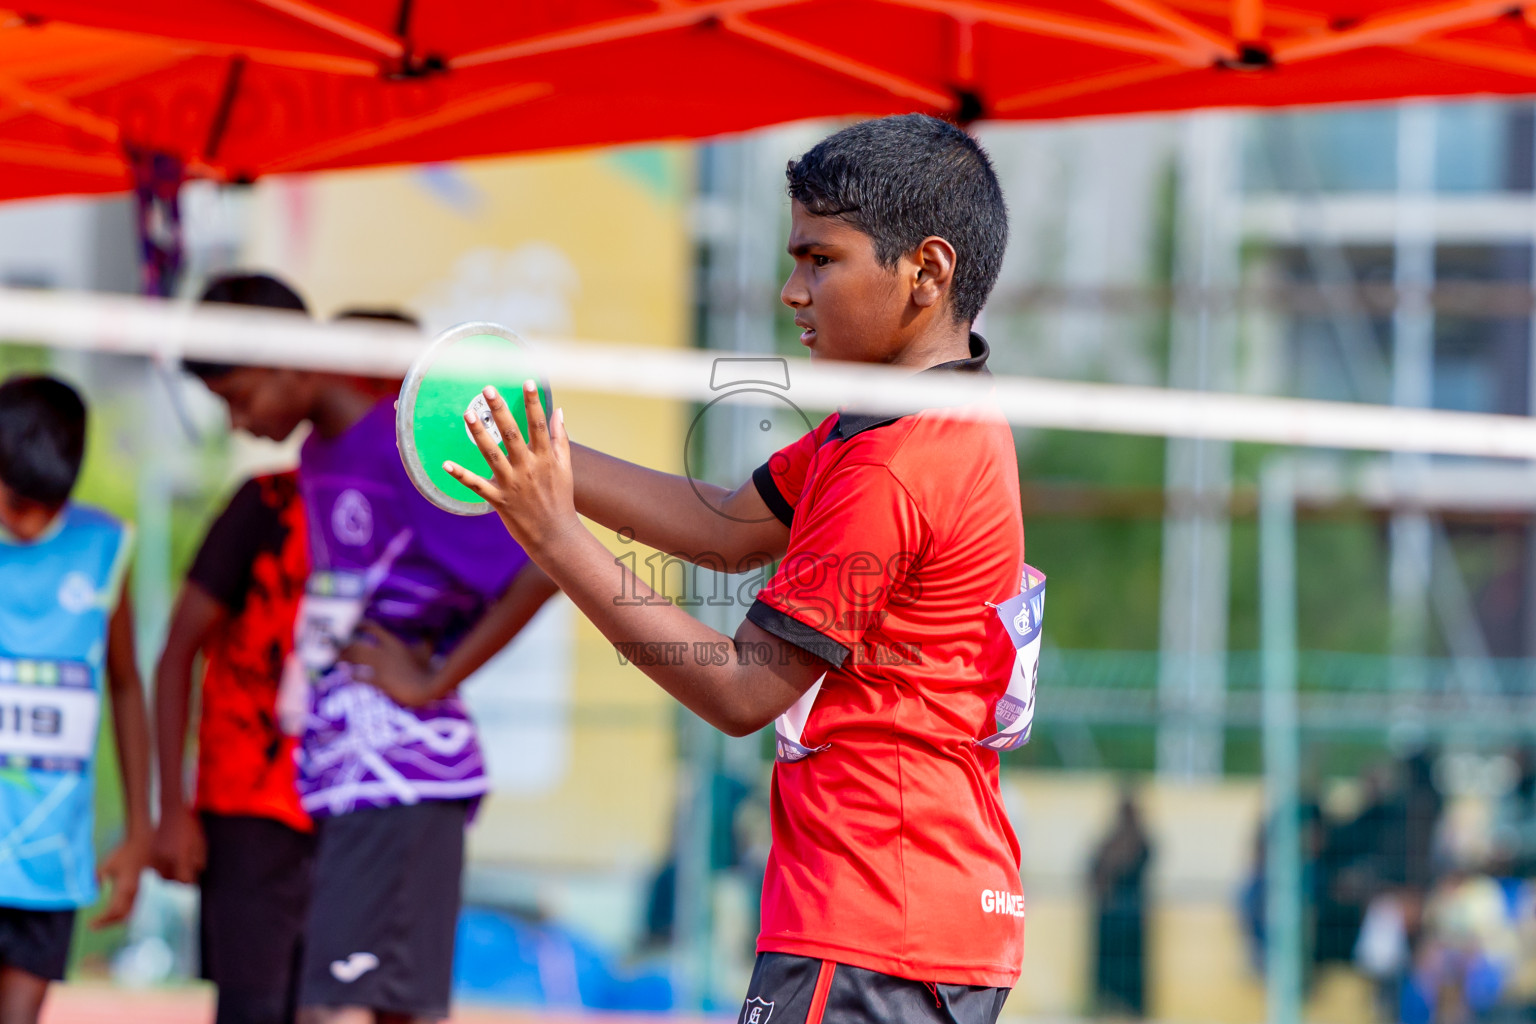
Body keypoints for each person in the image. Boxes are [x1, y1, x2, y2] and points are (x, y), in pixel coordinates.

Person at [446, 114, 1023, 1023]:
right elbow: (721, 528)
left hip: (876, 921)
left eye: (819, 259)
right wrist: (528, 443)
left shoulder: (895, 466)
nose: (792, 291)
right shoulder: (895, 426)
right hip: (922, 915)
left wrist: (553, 536)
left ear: (928, 270)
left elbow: (745, 692)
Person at [186, 274, 558, 1024]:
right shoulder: (323, 454)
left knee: (335, 1008)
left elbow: (542, 565)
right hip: (350, 772)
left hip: (395, 773)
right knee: (382, 1007)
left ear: (292, 364)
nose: (238, 421)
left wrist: (431, 679)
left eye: (240, 398)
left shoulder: (393, 453)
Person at [153, 272, 316, 1024]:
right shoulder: (262, 503)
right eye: (224, 405)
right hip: (245, 806)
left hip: (346, 806)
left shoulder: (381, 505)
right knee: (252, 1008)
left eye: (239, 398)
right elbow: (176, 649)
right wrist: (172, 811)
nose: (241, 421)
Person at [0, 376, 152, 1024]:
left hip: (47, 863)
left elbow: (124, 684)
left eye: (46, 504)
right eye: (15, 502)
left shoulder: (104, 546)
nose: (29, 521)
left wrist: (139, 831)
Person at [1089, 790, 1151, 1018]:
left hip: (1131, 924)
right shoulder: (1109, 842)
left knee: (1131, 980)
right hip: (1110, 923)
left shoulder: (1140, 842)